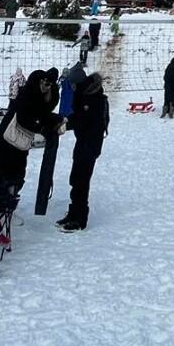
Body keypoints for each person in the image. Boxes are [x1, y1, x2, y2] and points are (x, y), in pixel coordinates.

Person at [0, 67, 60, 196]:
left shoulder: (42, 96)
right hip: (8, 137)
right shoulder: (28, 94)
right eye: (46, 84)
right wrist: (41, 128)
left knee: (15, 168)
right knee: (1, 167)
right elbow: (25, 118)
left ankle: (8, 193)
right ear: (40, 81)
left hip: (20, 141)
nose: (48, 87)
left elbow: (42, 114)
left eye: (51, 85)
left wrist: (57, 120)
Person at [58, 71, 110, 232]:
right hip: (84, 143)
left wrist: (67, 124)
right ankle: (73, 212)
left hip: (90, 145)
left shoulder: (93, 100)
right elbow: (79, 115)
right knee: (76, 178)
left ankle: (80, 219)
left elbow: (82, 119)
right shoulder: (87, 96)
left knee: (81, 180)